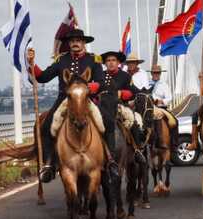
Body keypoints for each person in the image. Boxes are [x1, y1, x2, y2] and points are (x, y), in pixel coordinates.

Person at [27, 29, 103, 183]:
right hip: (65, 99)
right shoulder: (61, 60)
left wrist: (89, 89)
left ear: (83, 43)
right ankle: (49, 163)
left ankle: (109, 159)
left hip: (86, 99)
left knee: (105, 123)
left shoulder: (93, 60)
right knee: (46, 126)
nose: (75, 43)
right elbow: (42, 77)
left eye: (78, 40)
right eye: (72, 41)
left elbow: (100, 81)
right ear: (69, 43)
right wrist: (32, 63)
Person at [98, 51, 140, 175]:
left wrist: (122, 94)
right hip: (102, 106)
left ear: (118, 63)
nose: (111, 63)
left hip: (120, 105)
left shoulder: (125, 76)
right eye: (108, 61)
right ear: (105, 63)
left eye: (113, 60)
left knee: (133, 119)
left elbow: (134, 92)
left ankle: (137, 149)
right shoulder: (100, 75)